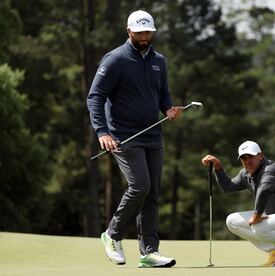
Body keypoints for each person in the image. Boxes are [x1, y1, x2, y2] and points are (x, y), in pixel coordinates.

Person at [87, 10, 182, 268]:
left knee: (152, 193)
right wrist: (102, 132)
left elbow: (163, 93)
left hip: (153, 135)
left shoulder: (158, 61)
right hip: (123, 136)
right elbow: (95, 97)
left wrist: (168, 109)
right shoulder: (115, 59)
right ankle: (113, 234)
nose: (144, 37)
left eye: (147, 32)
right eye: (139, 32)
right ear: (128, 31)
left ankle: (149, 252)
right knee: (140, 185)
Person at [201, 141, 275, 266]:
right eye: (243, 158)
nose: (248, 161)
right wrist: (218, 167)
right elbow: (228, 187)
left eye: (251, 157)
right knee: (232, 221)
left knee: (258, 226)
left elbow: (264, 190)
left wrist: (257, 215)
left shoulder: (271, 170)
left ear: (261, 155)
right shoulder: (246, 174)